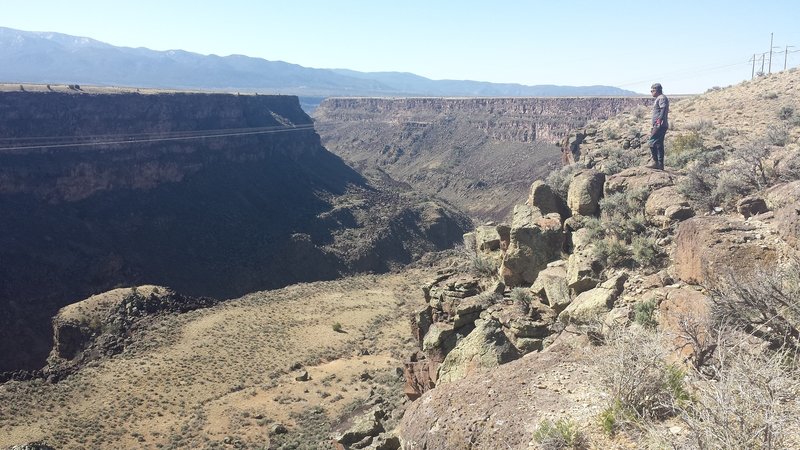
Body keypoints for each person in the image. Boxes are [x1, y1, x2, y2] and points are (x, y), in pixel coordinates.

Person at [647, 83, 669, 170]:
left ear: (656, 90)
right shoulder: (660, 98)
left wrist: (659, 121)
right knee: (658, 144)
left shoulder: (662, 98)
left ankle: (656, 162)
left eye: (652, 90)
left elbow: (663, 109)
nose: (651, 92)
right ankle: (660, 164)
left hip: (659, 125)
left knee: (651, 142)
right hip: (659, 124)